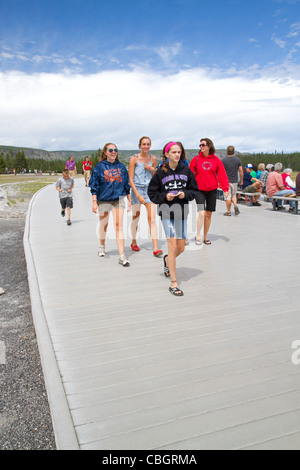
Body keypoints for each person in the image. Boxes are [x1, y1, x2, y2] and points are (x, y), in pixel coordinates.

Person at [148, 142, 199, 297]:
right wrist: (165, 196)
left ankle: (167, 261)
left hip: (182, 212)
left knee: (181, 247)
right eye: (174, 152)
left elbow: (194, 190)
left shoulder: (186, 170)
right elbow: (152, 193)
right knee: (171, 245)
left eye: (179, 152)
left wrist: (185, 194)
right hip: (166, 212)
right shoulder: (160, 172)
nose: (177, 155)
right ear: (167, 154)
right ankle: (174, 283)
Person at [89, 143, 131, 266]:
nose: (113, 152)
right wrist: (94, 202)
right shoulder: (99, 167)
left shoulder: (121, 167)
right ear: (105, 153)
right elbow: (94, 185)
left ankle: (122, 255)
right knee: (104, 224)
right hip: (104, 199)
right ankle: (102, 245)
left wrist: (130, 200)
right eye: (110, 150)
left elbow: (126, 185)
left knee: (119, 226)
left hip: (118, 199)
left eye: (115, 150)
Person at [189, 138, 229, 245]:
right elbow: (189, 174)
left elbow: (222, 174)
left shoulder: (216, 160)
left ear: (209, 146)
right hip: (199, 190)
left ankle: (205, 237)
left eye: (203, 145)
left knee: (208, 214)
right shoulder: (196, 159)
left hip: (212, 190)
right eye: (200, 145)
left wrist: (225, 189)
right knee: (202, 213)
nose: (201, 147)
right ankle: (198, 235)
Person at [128, 136, 162, 257]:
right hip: (137, 190)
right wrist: (137, 195)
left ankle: (156, 248)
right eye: (144, 144)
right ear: (140, 146)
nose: (146, 146)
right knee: (135, 218)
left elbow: (156, 174)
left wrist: (152, 168)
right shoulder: (134, 159)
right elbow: (130, 179)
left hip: (149, 190)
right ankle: (133, 241)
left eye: (148, 144)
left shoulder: (153, 158)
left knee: (152, 219)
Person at [222, 145, 243, 216]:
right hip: (235, 180)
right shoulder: (238, 160)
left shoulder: (223, 160)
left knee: (227, 196)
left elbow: (221, 172)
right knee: (234, 195)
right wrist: (241, 180)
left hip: (226, 181)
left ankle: (228, 211)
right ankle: (235, 205)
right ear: (233, 151)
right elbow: (241, 171)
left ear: (227, 151)